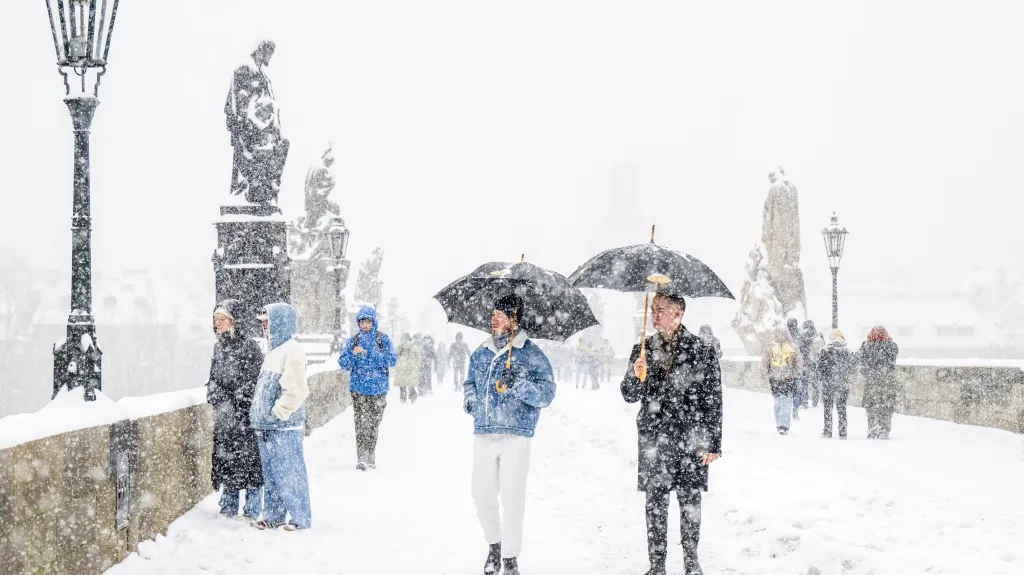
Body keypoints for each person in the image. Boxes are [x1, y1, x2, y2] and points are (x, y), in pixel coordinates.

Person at [621, 293, 722, 575]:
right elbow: (628, 394)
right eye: (653, 309)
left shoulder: (702, 350)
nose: (654, 314)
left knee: (690, 501)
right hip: (654, 438)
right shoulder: (641, 349)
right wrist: (635, 374)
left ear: (678, 313)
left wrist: (713, 443)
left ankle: (691, 562)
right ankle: (657, 565)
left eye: (661, 309)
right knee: (655, 503)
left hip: (692, 439)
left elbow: (713, 399)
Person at [463, 294, 556, 575]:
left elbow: (546, 394)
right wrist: (471, 402)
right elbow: (470, 383)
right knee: (481, 494)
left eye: (500, 315)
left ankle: (510, 557)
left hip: (516, 434)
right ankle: (494, 544)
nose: (493, 319)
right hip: (484, 433)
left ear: (514, 320)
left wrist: (518, 383)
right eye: (493, 313)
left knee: (513, 498)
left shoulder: (531, 353)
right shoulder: (481, 352)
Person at [249, 303, 310, 531]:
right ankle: (273, 517)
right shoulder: (274, 351)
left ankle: (300, 519)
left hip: (283, 427)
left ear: (281, 323)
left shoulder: (292, 350)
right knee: (273, 477)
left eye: (268, 322)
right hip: (268, 427)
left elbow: (296, 389)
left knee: (290, 475)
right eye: (263, 322)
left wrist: (278, 413)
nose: (264, 326)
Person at [208, 300, 264, 522]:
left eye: (222, 319)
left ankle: (252, 510)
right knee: (228, 462)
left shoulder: (250, 347)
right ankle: (228, 507)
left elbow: (255, 381)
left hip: (244, 417)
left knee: (250, 464)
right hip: (225, 418)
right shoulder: (219, 347)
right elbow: (213, 379)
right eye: (215, 319)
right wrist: (218, 397)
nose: (217, 323)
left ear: (234, 321)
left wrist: (236, 401)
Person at [338, 306, 398, 470]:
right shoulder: (353, 341)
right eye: (361, 321)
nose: (364, 325)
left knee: (373, 423)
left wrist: (369, 353)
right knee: (360, 423)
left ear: (373, 322)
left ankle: (371, 453)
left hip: (378, 389)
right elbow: (343, 363)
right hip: (359, 389)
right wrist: (353, 355)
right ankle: (362, 457)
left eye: (368, 321)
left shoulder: (382, 340)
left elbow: (391, 360)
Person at [858, 326, 900, 439]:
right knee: (887, 406)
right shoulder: (892, 347)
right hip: (888, 381)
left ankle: (872, 429)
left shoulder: (866, 347)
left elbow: (860, 363)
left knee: (871, 406)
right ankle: (884, 429)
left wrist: (868, 372)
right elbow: (892, 362)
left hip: (871, 381)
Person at [763, 327, 803, 435]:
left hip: (774, 379)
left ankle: (778, 423)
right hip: (788, 378)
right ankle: (783, 425)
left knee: (777, 402)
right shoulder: (792, 346)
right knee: (786, 401)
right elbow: (799, 361)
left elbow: (765, 363)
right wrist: (797, 372)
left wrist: (767, 374)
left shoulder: (770, 346)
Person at [817, 329, 856, 439]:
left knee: (827, 407)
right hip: (842, 383)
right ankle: (843, 432)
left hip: (828, 383)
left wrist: (824, 377)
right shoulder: (848, 351)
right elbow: (852, 369)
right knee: (842, 408)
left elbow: (820, 368)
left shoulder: (825, 350)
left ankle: (827, 430)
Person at [394, 333, 422, 404]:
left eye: (404, 338)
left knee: (408, 385)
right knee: (405, 385)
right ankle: (406, 398)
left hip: (408, 369)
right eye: (402, 339)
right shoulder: (400, 348)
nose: (403, 340)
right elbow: (394, 357)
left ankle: (406, 398)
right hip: (403, 369)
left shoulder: (412, 348)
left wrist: (416, 366)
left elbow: (418, 358)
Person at [800, 320, 822, 408]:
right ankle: (815, 403)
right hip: (815, 363)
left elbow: (799, 350)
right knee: (815, 384)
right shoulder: (816, 337)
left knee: (804, 383)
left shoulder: (801, 336)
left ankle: (805, 402)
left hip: (805, 362)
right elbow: (821, 351)